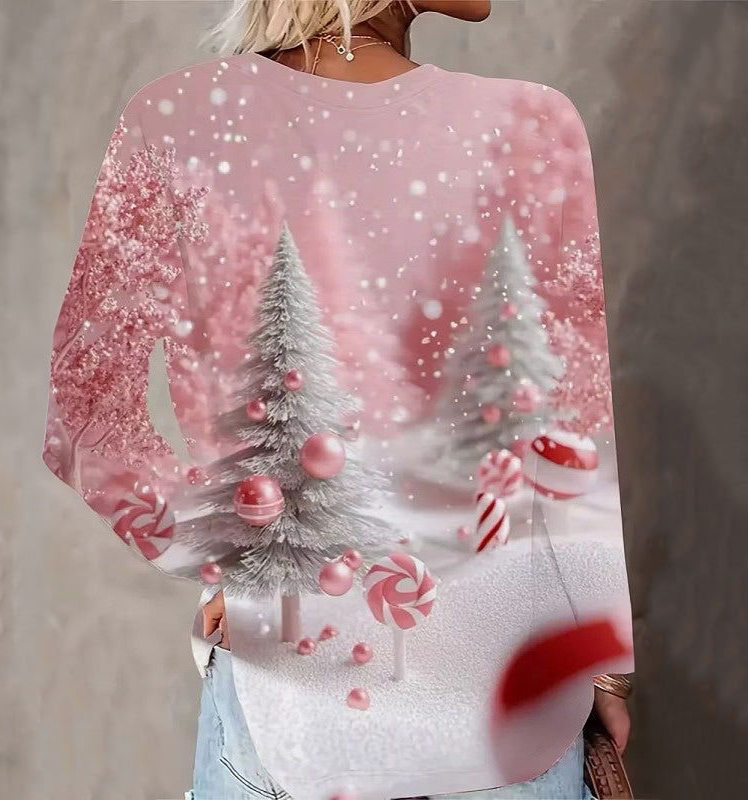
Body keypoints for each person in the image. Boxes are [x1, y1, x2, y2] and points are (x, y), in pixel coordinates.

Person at [41, 1, 635, 798]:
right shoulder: (532, 127)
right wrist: (605, 671)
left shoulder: (176, 120)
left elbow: (83, 418)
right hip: (511, 711)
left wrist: (237, 562)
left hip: (290, 706)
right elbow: (570, 434)